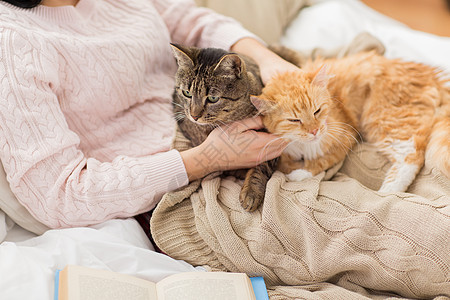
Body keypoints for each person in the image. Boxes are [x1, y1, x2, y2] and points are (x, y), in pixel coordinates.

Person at [0, 0, 297, 229]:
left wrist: (267, 59)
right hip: (172, 187)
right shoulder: (13, 41)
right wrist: (210, 158)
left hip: (234, 129)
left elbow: (193, 21)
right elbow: (60, 196)